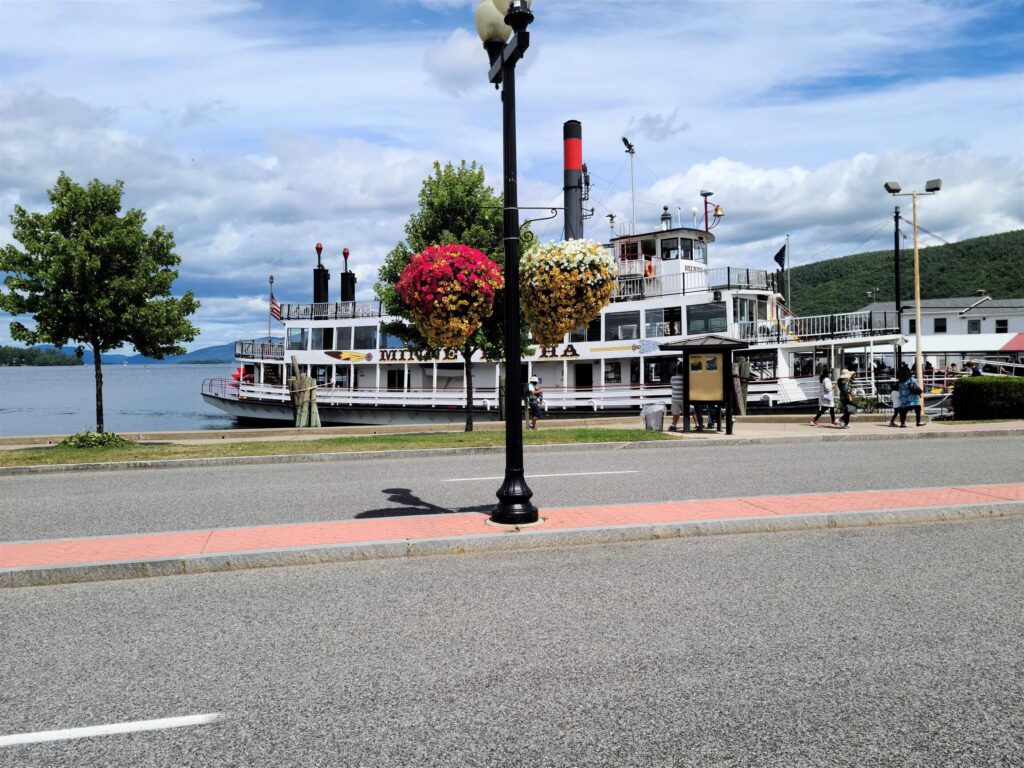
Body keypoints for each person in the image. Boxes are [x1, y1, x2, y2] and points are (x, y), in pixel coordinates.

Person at [668, 362, 685, 431]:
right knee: (686, 413)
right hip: (684, 398)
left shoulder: (673, 378)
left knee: (675, 413)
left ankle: (674, 425)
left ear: (676, 370)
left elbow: (671, 386)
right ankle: (686, 425)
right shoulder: (685, 378)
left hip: (675, 398)